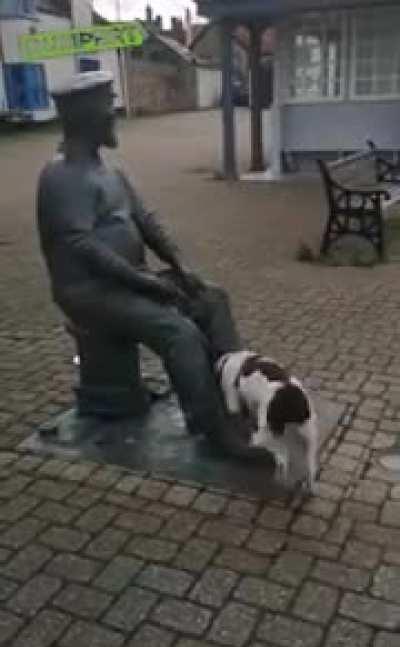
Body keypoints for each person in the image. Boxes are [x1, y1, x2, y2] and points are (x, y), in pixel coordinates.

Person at [37, 71, 252, 457]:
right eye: (108, 109)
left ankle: (234, 398)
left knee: (211, 299)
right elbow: (81, 246)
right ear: (87, 117)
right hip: (90, 293)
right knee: (178, 332)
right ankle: (213, 431)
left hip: (130, 283)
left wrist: (179, 266)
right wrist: (148, 284)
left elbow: (146, 221)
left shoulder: (111, 171)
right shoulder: (61, 176)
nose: (115, 115)